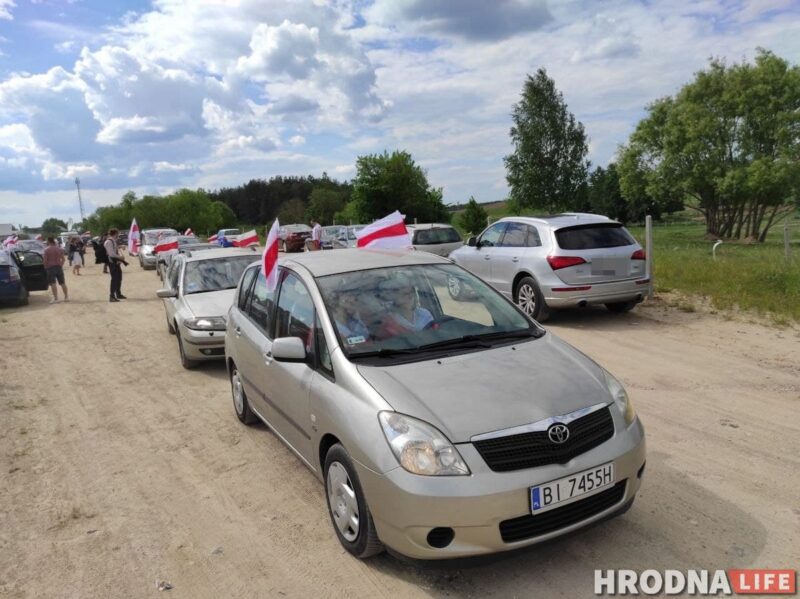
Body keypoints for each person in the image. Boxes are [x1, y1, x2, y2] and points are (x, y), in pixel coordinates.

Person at [104, 228, 128, 302]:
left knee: (119, 278)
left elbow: (114, 248)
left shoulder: (113, 241)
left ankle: (118, 293)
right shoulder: (108, 242)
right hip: (112, 262)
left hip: (116, 262)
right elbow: (111, 253)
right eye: (118, 233)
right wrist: (120, 257)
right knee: (114, 279)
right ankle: (112, 296)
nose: (119, 235)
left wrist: (120, 246)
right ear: (115, 233)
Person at [43, 237, 68, 304]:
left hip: (50, 268)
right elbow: (63, 259)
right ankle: (66, 297)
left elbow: (45, 261)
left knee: (53, 283)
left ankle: (56, 298)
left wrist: (45, 267)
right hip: (58, 267)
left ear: (49, 241)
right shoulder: (59, 249)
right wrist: (60, 265)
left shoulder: (46, 250)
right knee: (62, 283)